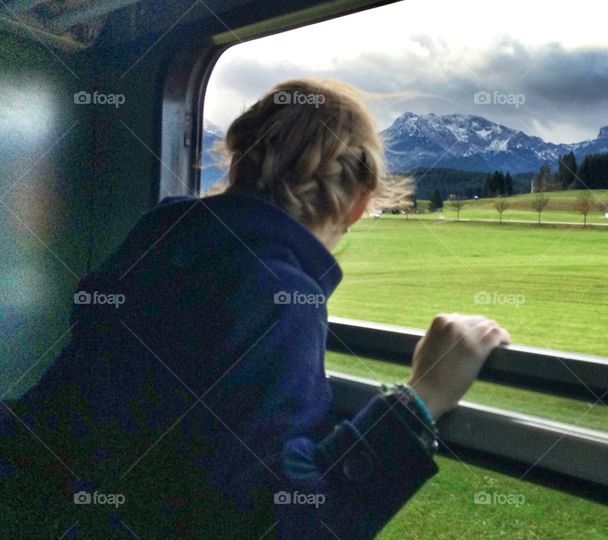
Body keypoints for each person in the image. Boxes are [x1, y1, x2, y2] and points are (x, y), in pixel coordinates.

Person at [0, 79, 510, 539]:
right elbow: (284, 521)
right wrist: (418, 402)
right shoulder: (280, 299)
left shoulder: (155, 245)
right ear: (359, 201)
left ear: (238, 164)